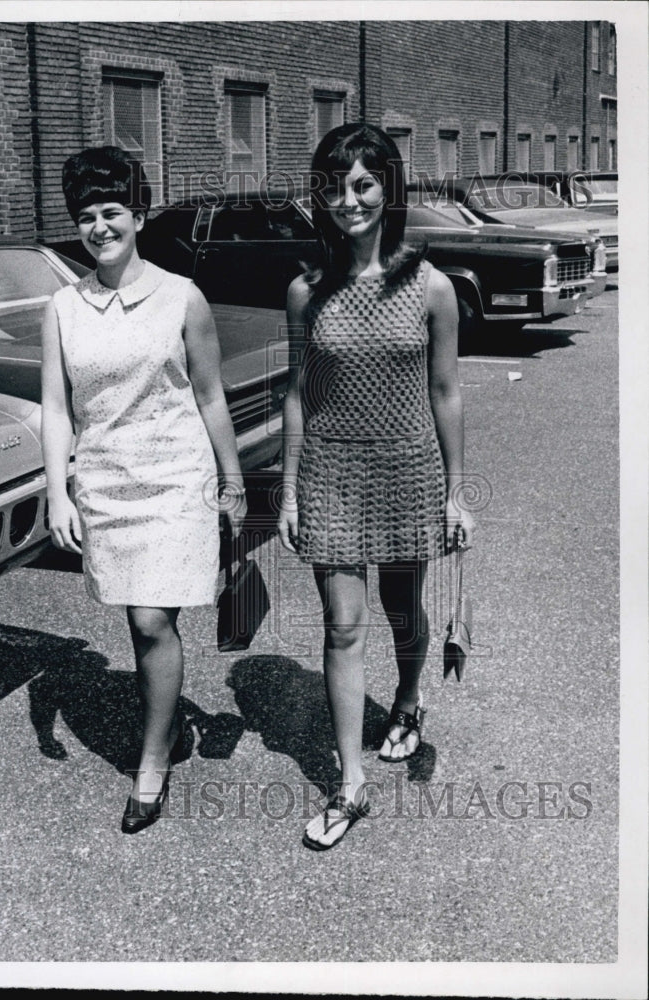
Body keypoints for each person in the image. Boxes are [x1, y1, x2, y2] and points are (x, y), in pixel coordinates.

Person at [277, 123, 474, 851]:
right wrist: (290, 492)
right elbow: (298, 393)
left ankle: (408, 698)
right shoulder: (306, 289)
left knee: (401, 607)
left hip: (407, 467)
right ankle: (351, 785)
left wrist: (456, 492)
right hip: (330, 468)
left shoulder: (432, 286)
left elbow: (447, 390)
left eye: (361, 185)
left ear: (387, 188)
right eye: (332, 187)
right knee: (342, 624)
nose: (346, 201)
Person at [40, 146, 247, 834]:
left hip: (175, 480)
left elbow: (212, 396)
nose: (99, 227)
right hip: (104, 482)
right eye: (86, 217)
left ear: (139, 214)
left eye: (111, 212)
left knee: (152, 620)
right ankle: (160, 719)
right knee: (137, 619)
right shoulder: (63, 308)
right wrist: (56, 492)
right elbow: (57, 410)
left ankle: (152, 762)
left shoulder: (181, 296)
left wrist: (233, 480)